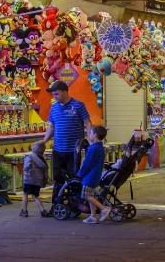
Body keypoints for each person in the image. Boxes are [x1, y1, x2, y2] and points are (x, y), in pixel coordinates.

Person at [43, 80, 91, 214]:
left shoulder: (78, 105)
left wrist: (92, 140)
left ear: (64, 92)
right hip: (58, 150)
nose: (54, 97)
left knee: (74, 179)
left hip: (73, 151)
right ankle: (56, 205)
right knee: (58, 179)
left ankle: (75, 205)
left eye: (56, 94)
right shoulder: (54, 107)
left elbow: (87, 123)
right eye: (53, 94)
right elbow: (51, 126)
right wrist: (44, 140)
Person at [77, 125, 111, 224]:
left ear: (95, 135)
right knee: (91, 196)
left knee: (87, 196)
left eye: (90, 133)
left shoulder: (93, 149)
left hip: (89, 177)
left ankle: (103, 209)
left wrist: (80, 174)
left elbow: (87, 163)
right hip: (95, 175)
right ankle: (93, 216)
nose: (89, 135)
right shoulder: (99, 147)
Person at [20, 142, 49, 217]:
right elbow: (45, 171)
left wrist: (25, 170)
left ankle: (24, 211)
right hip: (38, 181)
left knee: (25, 194)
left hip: (28, 180)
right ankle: (42, 211)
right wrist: (45, 180)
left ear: (33, 148)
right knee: (35, 196)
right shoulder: (43, 160)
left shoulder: (29, 156)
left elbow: (26, 167)